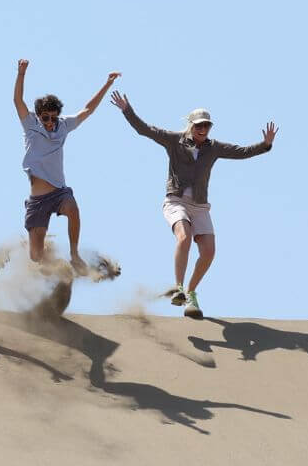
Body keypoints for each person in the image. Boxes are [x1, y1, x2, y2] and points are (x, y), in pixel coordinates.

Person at [111, 91, 277, 319]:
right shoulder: (174, 140)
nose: (203, 129)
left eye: (207, 125)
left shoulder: (214, 147)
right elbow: (145, 130)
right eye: (199, 125)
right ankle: (178, 288)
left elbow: (242, 152)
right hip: (175, 200)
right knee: (184, 236)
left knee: (208, 252)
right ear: (191, 125)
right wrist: (127, 110)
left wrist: (265, 145)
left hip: (200, 205)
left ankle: (191, 292)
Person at [14, 61, 120, 270]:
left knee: (72, 207)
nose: (50, 122)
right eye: (46, 117)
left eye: (53, 117)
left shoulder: (63, 126)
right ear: (39, 115)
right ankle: (55, 266)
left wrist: (107, 84)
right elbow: (17, 100)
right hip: (38, 200)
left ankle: (74, 255)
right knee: (36, 257)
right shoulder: (31, 125)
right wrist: (21, 73)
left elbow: (87, 110)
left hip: (59, 192)